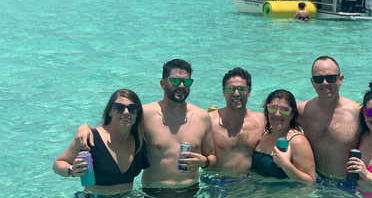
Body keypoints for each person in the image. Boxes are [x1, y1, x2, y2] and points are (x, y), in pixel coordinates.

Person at [74, 59, 216, 196]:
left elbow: (213, 159)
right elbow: (112, 129)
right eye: (175, 80)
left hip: (191, 190)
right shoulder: (144, 114)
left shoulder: (202, 117)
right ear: (162, 83)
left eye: (186, 81)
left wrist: (204, 161)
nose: (181, 86)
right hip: (153, 192)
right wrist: (85, 127)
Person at [297, 56, 372, 184]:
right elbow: (277, 121)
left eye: (331, 78)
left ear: (340, 79)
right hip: (316, 181)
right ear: (312, 82)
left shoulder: (357, 113)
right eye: (318, 79)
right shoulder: (301, 111)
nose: (325, 83)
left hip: (347, 185)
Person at [53, 89, 149, 197]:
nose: (126, 112)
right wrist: (71, 170)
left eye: (132, 108)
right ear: (110, 112)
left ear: (137, 112)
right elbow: (57, 164)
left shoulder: (140, 140)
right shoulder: (91, 139)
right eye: (119, 107)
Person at [207, 67, 265, 174]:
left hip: (249, 182)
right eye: (231, 89)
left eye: (242, 89)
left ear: (249, 91)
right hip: (216, 183)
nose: (236, 93)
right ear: (224, 91)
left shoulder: (261, 121)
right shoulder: (209, 121)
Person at [252, 89, 316, 182]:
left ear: (292, 113)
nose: (277, 114)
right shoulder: (264, 132)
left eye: (284, 110)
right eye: (272, 108)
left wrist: (286, 165)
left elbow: (310, 182)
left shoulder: (297, 141)